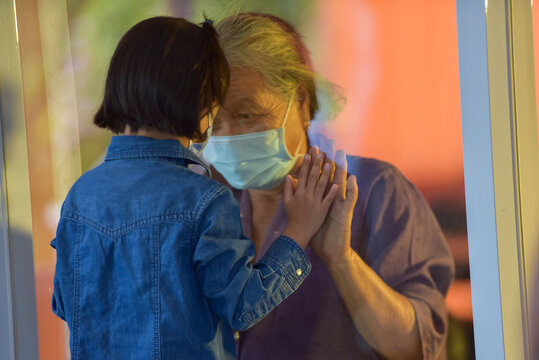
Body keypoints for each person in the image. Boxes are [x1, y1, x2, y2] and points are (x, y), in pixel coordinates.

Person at [50, 16, 344, 359]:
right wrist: (299, 230)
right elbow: (242, 306)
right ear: (202, 101)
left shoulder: (80, 196)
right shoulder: (203, 201)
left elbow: (64, 303)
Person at [202, 12, 455, 360]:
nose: (228, 138)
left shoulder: (373, 191)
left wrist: (342, 260)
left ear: (302, 104)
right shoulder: (206, 203)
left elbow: (414, 348)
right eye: (214, 122)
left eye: (247, 115)